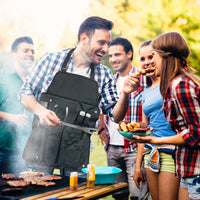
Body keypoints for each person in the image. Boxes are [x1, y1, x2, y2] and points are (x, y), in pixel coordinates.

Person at [19, 17, 140, 172]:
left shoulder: (104, 74)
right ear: (84, 38)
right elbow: (25, 93)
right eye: (101, 42)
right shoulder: (51, 60)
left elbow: (116, 116)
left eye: (108, 44)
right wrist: (40, 111)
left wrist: (125, 94)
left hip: (76, 151)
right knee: (38, 193)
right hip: (41, 146)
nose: (105, 49)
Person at [130, 32, 200, 200]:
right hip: (186, 166)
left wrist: (155, 140)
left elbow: (195, 134)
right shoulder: (177, 83)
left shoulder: (180, 85)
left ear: (165, 57)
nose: (150, 62)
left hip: (195, 168)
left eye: (154, 56)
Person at [98, 37, 147, 200]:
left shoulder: (143, 78)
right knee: (118, 195)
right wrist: (100, 128)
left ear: (129, 54)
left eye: (117, 55)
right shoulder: (110, 80)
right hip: (112, 147)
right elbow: (100, 105)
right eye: (110, 56)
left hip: (133, 148)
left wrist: (142, 134)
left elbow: (152, 111)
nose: (113, 59)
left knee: (137, 195)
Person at [133, 40, 179, 200]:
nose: (147, 62)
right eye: (143, 59)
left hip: (170, 152)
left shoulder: (172, 84)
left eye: (151, 57)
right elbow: (144, 129)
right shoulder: (145, 92)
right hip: (149, 154)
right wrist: (138, 165)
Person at [0, 36, 35, 174]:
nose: (30, 54)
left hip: (25, 150)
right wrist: (11, 117)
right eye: (26, 50)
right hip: (2, 146)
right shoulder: (2, 77)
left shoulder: (34, 80)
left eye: (32, 51)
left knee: (19, 191)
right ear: (14, 54)